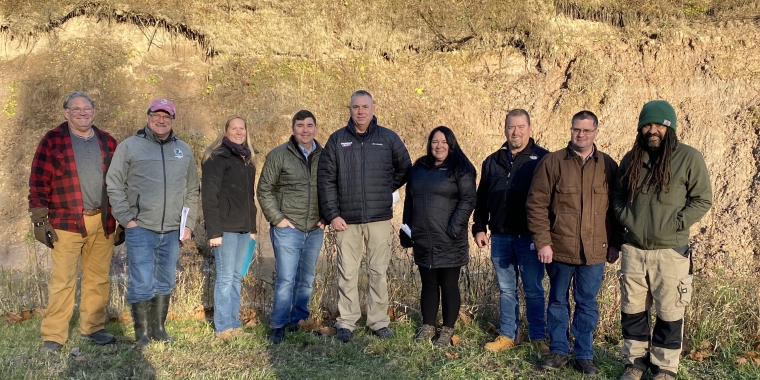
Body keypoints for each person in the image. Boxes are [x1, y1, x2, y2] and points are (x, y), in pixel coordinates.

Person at [613, 100, 712, 380]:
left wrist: (677, 223)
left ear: (670, 127)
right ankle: (635, 363)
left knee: (669, 312)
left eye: (659, 124)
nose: (652, 130)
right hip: (634, 250)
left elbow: (703, 198)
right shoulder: (631, 159)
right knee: (632, 310)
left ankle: (665, 367)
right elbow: (618, 196)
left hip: (670, 251)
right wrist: (625, 218)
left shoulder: (689, 158)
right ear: (640, 128)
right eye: (647, 124)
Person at [526, 110, 621, 375]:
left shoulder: (608, 165)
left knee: (587, 303)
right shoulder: (552, 162)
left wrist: (615, 243)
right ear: (570, 130)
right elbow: (536, 204)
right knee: (557, 301)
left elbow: (617, 209)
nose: (581, 135)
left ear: (596, 133)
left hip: (595, 251)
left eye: (586, 130)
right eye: (576, 129)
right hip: (559, 249)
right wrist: (543, 242)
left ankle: (584, 355)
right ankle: (558, 352)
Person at [29, 91, 121, 353]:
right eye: (76, 108)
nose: (82, 112)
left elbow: (120, 183)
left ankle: (93, 328)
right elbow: (38, 181)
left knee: (98, 278)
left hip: (102, 221)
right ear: (65, 113)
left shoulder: (108, 142)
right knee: (63, 280)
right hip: (66, 222)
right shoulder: (52, 141)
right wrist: (39, 220)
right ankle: (54, 336)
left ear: (94, 111)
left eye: (87, 108)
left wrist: (122, 219)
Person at [318, 90, 411, 342]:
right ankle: (346, 321)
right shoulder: (337, 140)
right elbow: (325, 179)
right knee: (347, 271)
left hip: (379, 217)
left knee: (378, 270)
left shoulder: (388, 138)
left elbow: (405, 167)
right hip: (345, 220)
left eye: (365, 106)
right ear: (350, 109)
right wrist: (332, 214)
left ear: (373, 108)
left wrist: (385, 188)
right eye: (356, 107)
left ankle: (378, 321)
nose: (360, 111)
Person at [106, 98, 200, 347]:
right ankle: (142, 334)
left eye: (166, 116)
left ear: (172, 120)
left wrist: (188, 222)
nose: (161, 120)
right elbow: (114, 183)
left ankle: (159, 329)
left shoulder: (184, 150)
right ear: (148, 117)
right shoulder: (130, 147)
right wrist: (126, 219)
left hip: (171, 230)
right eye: (156, 115)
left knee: (166, 279)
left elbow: (192, 189)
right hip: (141, 227)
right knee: (142, 281)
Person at [471, 109, 550, 354]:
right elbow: (481, 197)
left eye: (520, 127)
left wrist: (546, 236)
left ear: (529, 128)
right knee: (506, 289)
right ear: (505, 129)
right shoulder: (492, 161)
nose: (515, 132)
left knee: (533, 289)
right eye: (510, 127)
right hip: (501, 236)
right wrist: (479, 227)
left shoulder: (544, 159)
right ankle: (508, 334)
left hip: (530, 237)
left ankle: (538, 337)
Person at [401, 126, 476, 346]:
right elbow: (409, 201)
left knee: (449, 284)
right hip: (424, 239)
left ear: (451, 144)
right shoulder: (419, 167)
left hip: (450, 239)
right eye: (435, 141)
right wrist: (406, 228)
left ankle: (447, 329)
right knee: (428, 284)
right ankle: (428, 326)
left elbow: (468, 200)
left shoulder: (461, 168)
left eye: (444, 142)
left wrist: (453, 228)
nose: (439, 146)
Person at [258, 110, 325, 344]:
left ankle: (298, 320)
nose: (305, 130)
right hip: (288, 228)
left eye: (309, 125)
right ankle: (278, 324)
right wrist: (277, 218)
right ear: (293, 128)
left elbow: (331, 188)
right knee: (286, 279)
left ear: (316, 128)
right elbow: (264, 189)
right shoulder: (278, 154)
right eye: (300, 125)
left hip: (314, 229)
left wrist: (326, 216)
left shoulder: (325, 156)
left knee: (306, 278)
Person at [201, 116, 257, 341]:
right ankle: (223, 327)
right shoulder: (217, 157)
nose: (238, 132)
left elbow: (249, 197)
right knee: (225, 278)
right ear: (225, 132)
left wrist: (252, 227)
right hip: (224, 229)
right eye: (233, 128)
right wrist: (214, 232)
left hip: (244, 229)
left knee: (236, 277)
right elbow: (209, 196)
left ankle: (234, 324)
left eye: (241, 128)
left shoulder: (248, 160)